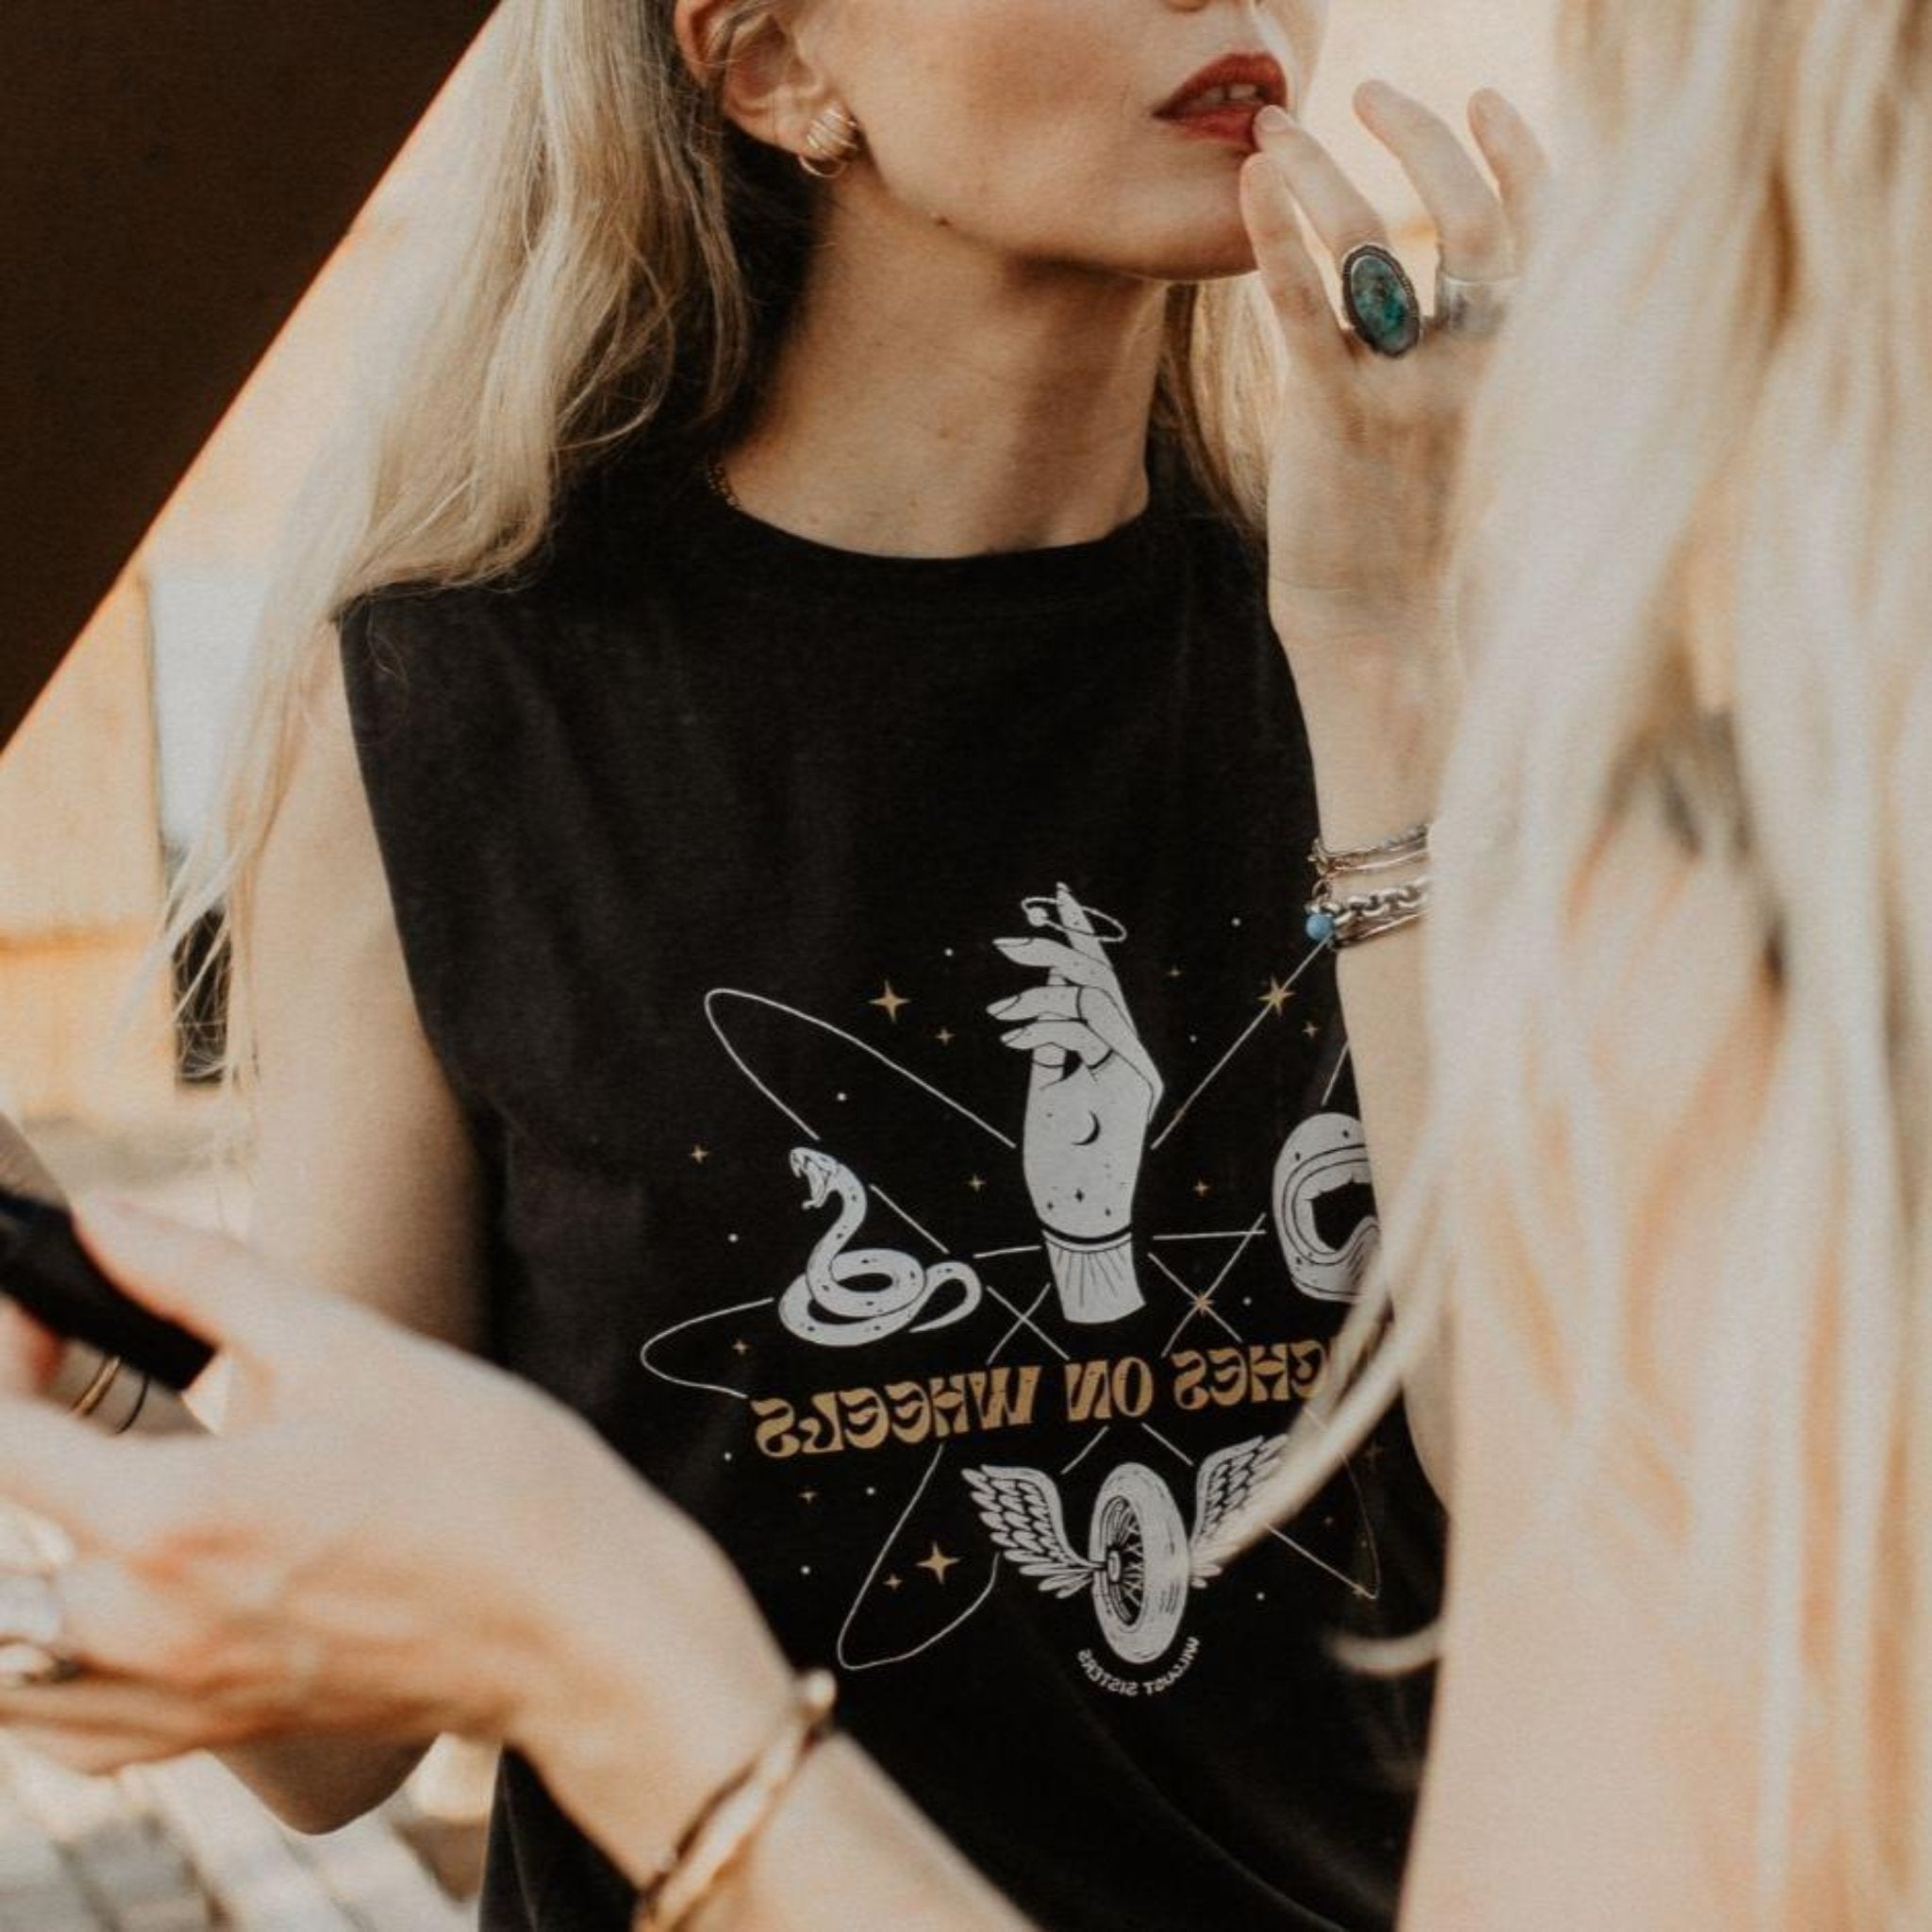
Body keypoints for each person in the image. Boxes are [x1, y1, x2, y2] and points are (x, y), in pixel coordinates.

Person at [0, 0, 1547, 1926]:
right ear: (769, 68)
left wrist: (1400, 664)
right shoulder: (453, 725)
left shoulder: (1404, 643)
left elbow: (1589, 1535)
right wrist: (85, 1366)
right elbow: (343, 1738)